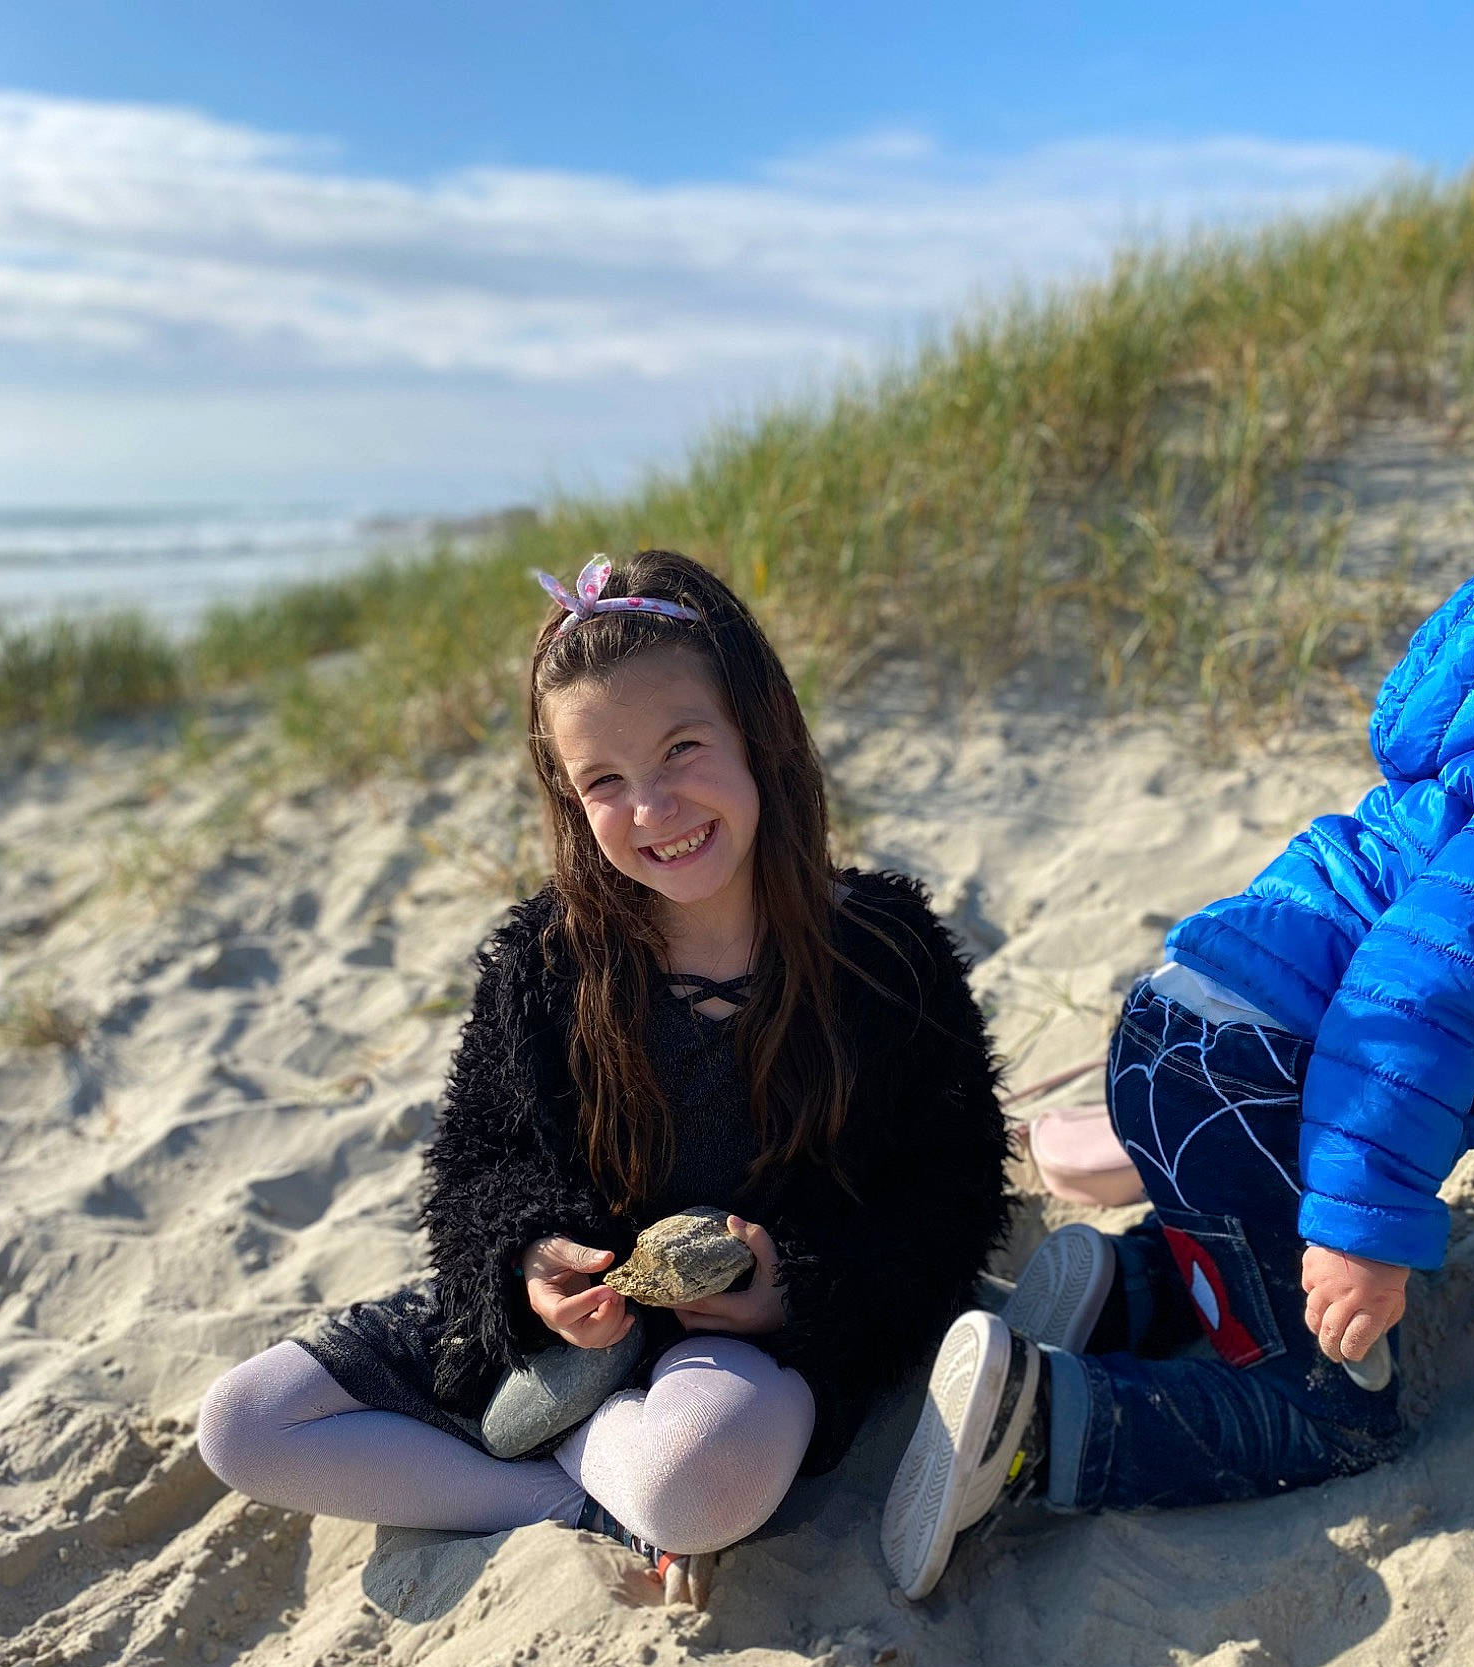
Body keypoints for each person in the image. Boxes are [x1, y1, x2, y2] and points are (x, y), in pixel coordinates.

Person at [198, 549, 1012, 1603]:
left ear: (759, 731)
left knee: (702, 1478)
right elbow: (475, 1164)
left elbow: (955, 1192)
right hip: (569, 1334)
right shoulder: (546, 963)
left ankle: (618, 1479)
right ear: (569, 797)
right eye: (606, 782)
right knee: (244, 1422)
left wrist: (798, 1292)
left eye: (681, 749)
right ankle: (574, 1496)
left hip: (739, 1352)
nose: (654, 806)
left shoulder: (884, 953)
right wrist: (529, 1261)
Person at [883, 534, 1474, 1599]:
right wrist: (1358, 1226)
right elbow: (1424, 987)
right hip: (1260, 1075)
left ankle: (1122, 1288)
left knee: (1245, 1230)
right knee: (1334, 1411)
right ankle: (1030, 1423)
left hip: (1183, 1031)